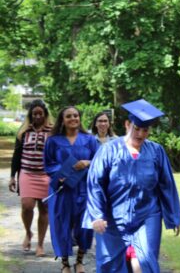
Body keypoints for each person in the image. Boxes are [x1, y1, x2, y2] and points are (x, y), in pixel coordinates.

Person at [83, 99, 180, 273]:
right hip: (112, 217)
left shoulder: (156, 151)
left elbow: (167, 185)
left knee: (144, 263)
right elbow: (95, 183)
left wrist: (173, 216)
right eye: (136, 128)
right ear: (127, 125)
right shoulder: (109, 150)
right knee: (110, 265)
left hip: (147, 215)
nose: (141, 134)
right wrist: (97, 215)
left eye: (145, 130)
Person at [44, 106, 98, 273]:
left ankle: (80, 260)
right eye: (69, 116)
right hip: (62, 190)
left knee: (85, 227)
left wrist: (87, 163)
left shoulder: (89, 140)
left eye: (76, 115)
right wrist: (64, 170)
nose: (73, 118)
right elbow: (48, 164)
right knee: (62, 225)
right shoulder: (53, 141)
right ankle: (65, 263)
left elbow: (99, 161)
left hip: (84, 189)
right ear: (62, 120)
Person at [8, 99, 52, 257]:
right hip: (27, 173)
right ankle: (28, 232)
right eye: (35, 114)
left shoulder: (52, 131)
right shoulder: (23, 132)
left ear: (45, 114)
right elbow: (16, 156)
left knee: (44, 209)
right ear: (30, 115)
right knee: (27, 205)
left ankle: (40, 244)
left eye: (40, 113)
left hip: (46, 175)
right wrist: (12, 176)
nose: (38, 116)